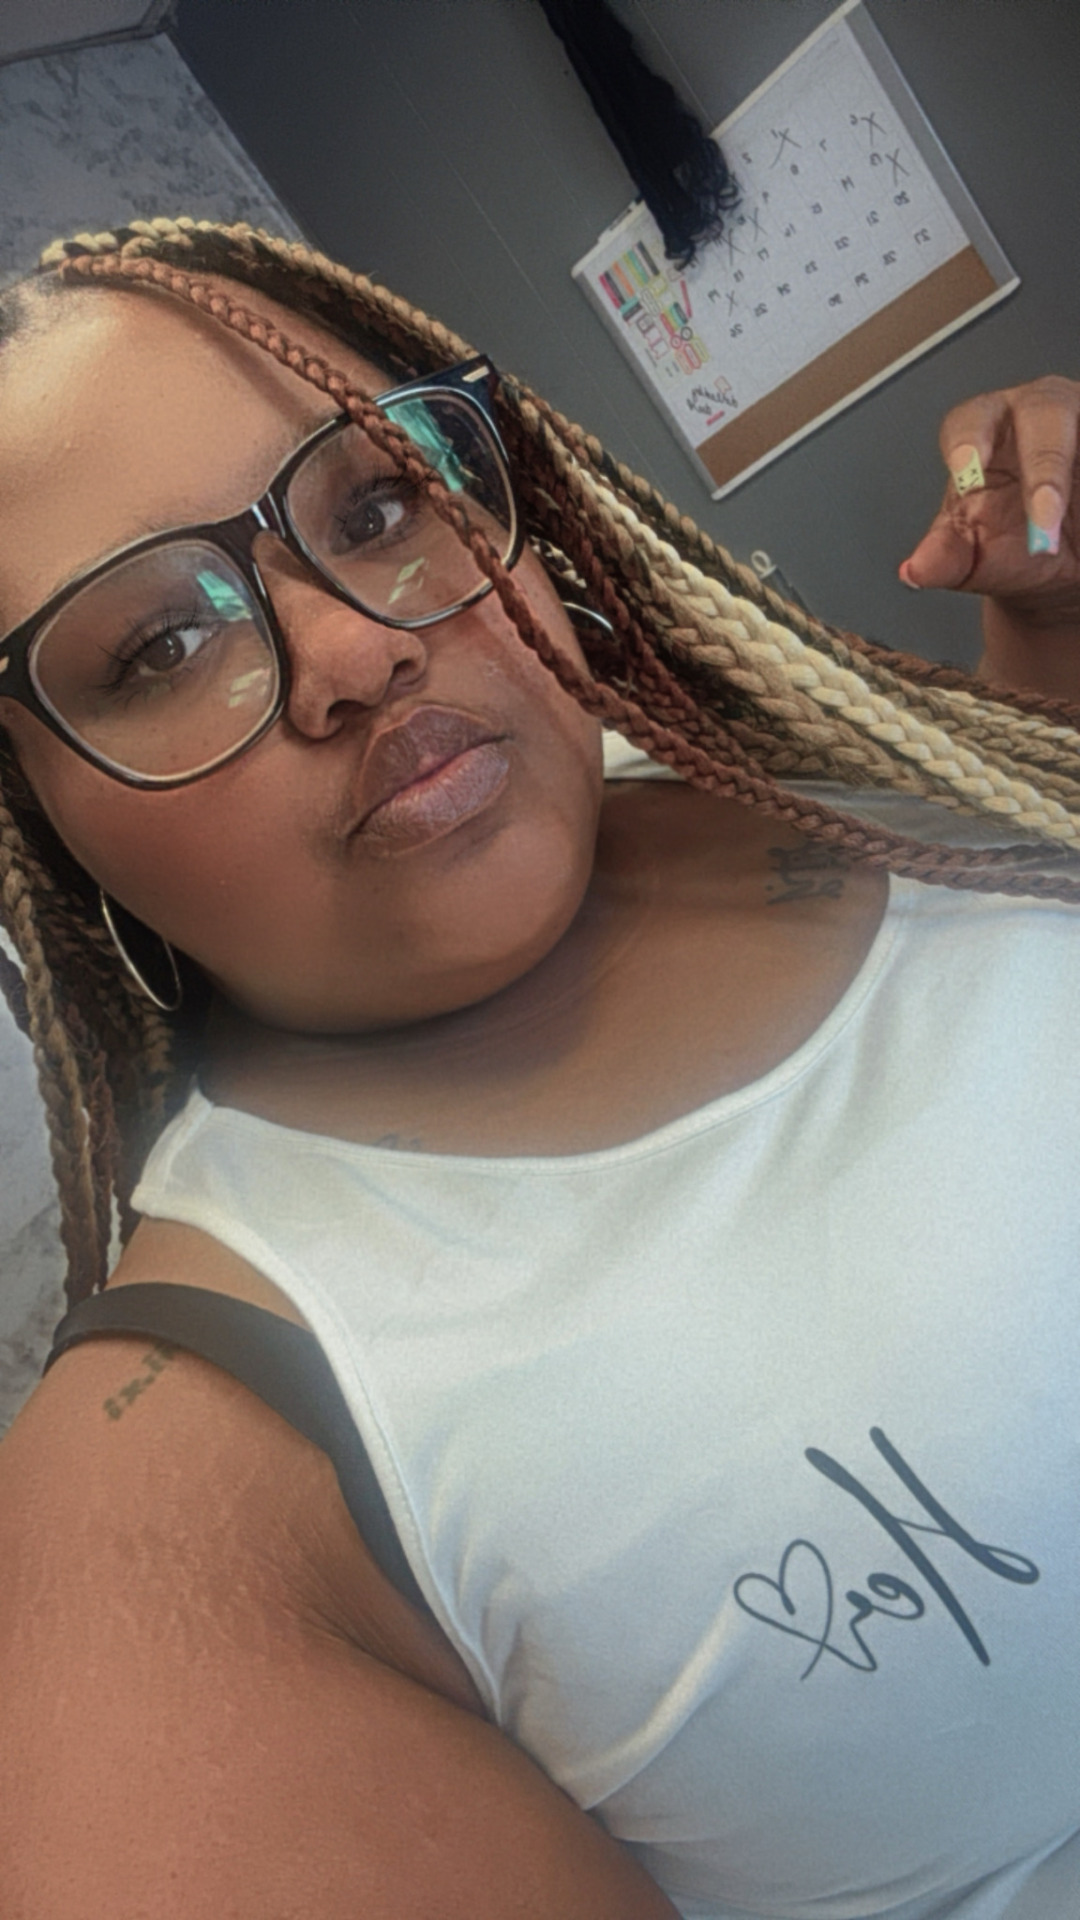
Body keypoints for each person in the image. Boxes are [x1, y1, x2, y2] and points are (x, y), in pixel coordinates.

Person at [0, 215, 1078, 1920]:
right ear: (36, 828)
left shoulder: (776, 758)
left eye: (375, 507)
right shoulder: (185, 1485)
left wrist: (1050, 653)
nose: (356, 652)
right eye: (159, 649)